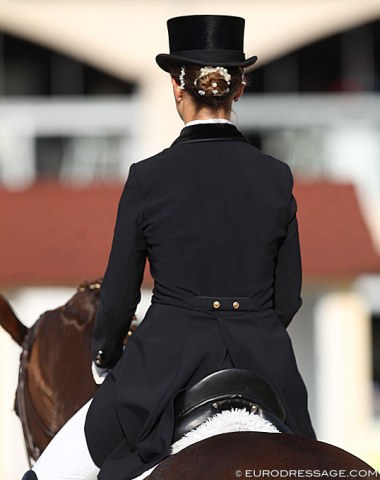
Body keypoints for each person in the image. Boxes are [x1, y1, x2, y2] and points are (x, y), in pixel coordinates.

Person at [22, 14, 315, 480]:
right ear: (238, 89)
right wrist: (250, 328)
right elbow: (288, 297)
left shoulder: (148, 178)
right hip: (266, 365)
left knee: (47, 474)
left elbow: (118, 296)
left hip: (162, 363)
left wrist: (104, 357)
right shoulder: (276, 177)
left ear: (177, 89)